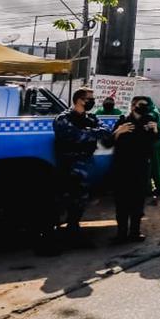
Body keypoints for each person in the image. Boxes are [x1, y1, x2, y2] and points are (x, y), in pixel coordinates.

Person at [52, 88, 113, 247]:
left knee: (81, 200)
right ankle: (56, 236)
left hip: (86, 164)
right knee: (65, 200)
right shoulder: (63, 118)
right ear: (79, 100)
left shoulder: (91, 117)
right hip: (69, 165)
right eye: (89, 98)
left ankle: (73, 231)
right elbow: (75, 135)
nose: (92, 101)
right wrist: (92, 132)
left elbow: (106, 132)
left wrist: (87, 131)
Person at [111, 96, 159, 243]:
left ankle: (135, 232)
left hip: (141, 167)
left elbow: (156, 141)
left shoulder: (149, 121)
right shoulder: (123, 121)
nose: (143, 107)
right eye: (140, 105)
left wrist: (155, 130)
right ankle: (121, 234)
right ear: (132, 106)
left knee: (138, 202)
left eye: (146, 105)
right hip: (123, 168)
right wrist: (118, 132)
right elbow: (108, 142)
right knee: (122, 201)